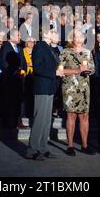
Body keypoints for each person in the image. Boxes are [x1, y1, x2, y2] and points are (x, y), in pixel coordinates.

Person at [26, 30, 63, 161]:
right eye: (55, 33)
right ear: (47, 34)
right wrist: (55, 73)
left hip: (49, 87)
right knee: (39, 119)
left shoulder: (48, 48)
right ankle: (32, 149)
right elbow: (38, 67)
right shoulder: (40, 46)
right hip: (42, 86)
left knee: (46, 120)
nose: (57, 36)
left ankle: (43, 148)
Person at [59, 30, 96, 156]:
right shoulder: (65, 52)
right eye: (75, 36)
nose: (78, 38)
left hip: (84, 87)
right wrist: (77, 70)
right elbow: (60, 70)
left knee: (84, 116)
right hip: (69, 87)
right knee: (71, 116)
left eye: (80, 36)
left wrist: (88, 71)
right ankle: (70, 146)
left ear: (84, 38)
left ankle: (84, 145)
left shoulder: (87, 52)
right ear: (72, 38)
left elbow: (93, 69)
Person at [0, 29, 27, 129]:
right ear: (11, 37)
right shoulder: (6, 47)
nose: (20, 37)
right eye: (18, 35)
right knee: (10, 102)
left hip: (19, 79)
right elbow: (4, 63)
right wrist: (15, 71)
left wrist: (24, 70)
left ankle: (18, 121)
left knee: (18, 101)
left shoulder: (20, 48)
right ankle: (10, 123)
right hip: (10, 79)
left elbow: (24, 61)